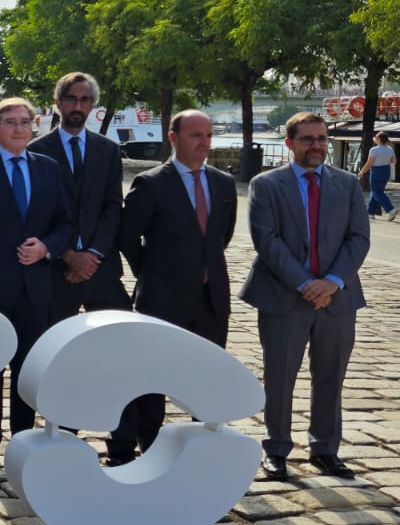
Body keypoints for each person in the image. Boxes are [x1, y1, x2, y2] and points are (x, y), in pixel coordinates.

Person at [241, 112, 370, 481]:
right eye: (307, 139)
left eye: (322, 139)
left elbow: (358, 238)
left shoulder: (347, 185)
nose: (316, 145)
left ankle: (326, 449)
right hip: (283, 296)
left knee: (331, 376)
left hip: (337, 298)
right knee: (280, 375)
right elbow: (267, 240)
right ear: (290, 143)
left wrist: (331, 281)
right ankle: (277, 448)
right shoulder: (266, 185)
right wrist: (304, 284)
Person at [0, 96, 74, 477]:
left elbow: (66, 223)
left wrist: (47, 248)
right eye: (10, 122)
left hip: (36, 286)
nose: (20, 128)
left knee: (28, 368)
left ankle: (22, 441)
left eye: (26, 121)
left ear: (34, 125)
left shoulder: (49, 169)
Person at [114, 110, 237, 465]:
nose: (204, 143)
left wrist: (202, 268)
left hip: (211, 297)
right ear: (174, 138)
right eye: (196, 135)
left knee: (208, 376)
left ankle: (204, 449)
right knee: (154, 377)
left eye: (209, 135)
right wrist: (150, 272)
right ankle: (150, 448)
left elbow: (220, 236)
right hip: (162, 298)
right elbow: (127, 236)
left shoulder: (223, 184)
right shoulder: (151, 183)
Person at [28, 72, 130, 326]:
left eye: (85, 100)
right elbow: (36, 215)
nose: (77, 106)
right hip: (54, 270)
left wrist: (93, 254)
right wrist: (68, 255)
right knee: (51, 349)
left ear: (92, 104)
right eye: (71, 99)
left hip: (101, 268)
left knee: (121, 346)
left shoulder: (108, 150)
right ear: (58, 101)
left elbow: (113, 205)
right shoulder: (35, 152)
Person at [356, 130, 398, 221]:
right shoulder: (390, 149)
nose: (375, 138)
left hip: (376, 171)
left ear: (379, 139)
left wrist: (362, 172)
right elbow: (394, 161)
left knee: (377, 192)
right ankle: (371, 212)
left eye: (376, 137)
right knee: (376, 191)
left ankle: (391, 209)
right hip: (386, 171)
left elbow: (369, 163)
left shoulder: (374, 150)